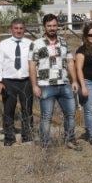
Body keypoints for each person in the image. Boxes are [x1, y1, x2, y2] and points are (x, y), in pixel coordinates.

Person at [30, 14, 81, 150]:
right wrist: (34, 85)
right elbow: (32, 65)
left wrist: (74, 80)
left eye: (54, 25)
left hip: (64, 83)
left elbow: (70, 62)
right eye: (49, 26)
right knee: (46, 117)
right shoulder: (36, 44)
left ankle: (70, 139)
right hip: (46, 85)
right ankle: (45, 144)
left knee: (70, 114)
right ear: (44, 27)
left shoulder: (64, 42)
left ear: (57, 26)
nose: (52, 28)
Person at [0, 18, 34, 146]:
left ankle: (27, 136)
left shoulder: (31, 44)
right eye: (16, 28)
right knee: (8, 109)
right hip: (8, 81)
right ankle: (9, 138)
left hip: (26, 81)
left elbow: (34, 63)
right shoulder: (3, 45)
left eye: (21, 28)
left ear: (24, 29)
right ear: (11, 29)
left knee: (27, 109)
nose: (18, 31)